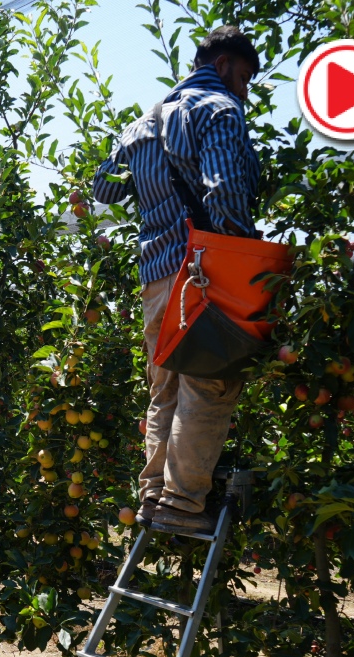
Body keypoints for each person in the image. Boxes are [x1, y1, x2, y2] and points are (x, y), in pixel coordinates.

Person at [92, 26, 261, 533]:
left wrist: (143, 169)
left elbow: (104, 186)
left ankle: (153, 496)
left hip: (157, 276)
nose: (245, 90)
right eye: (246, 77)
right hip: (204, 270)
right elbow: (227, 190)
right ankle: (183, 503)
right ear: (228, 64)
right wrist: (243, 263)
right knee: (210, 382)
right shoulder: (219, 110)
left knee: (164, 387)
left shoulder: (141, 125)